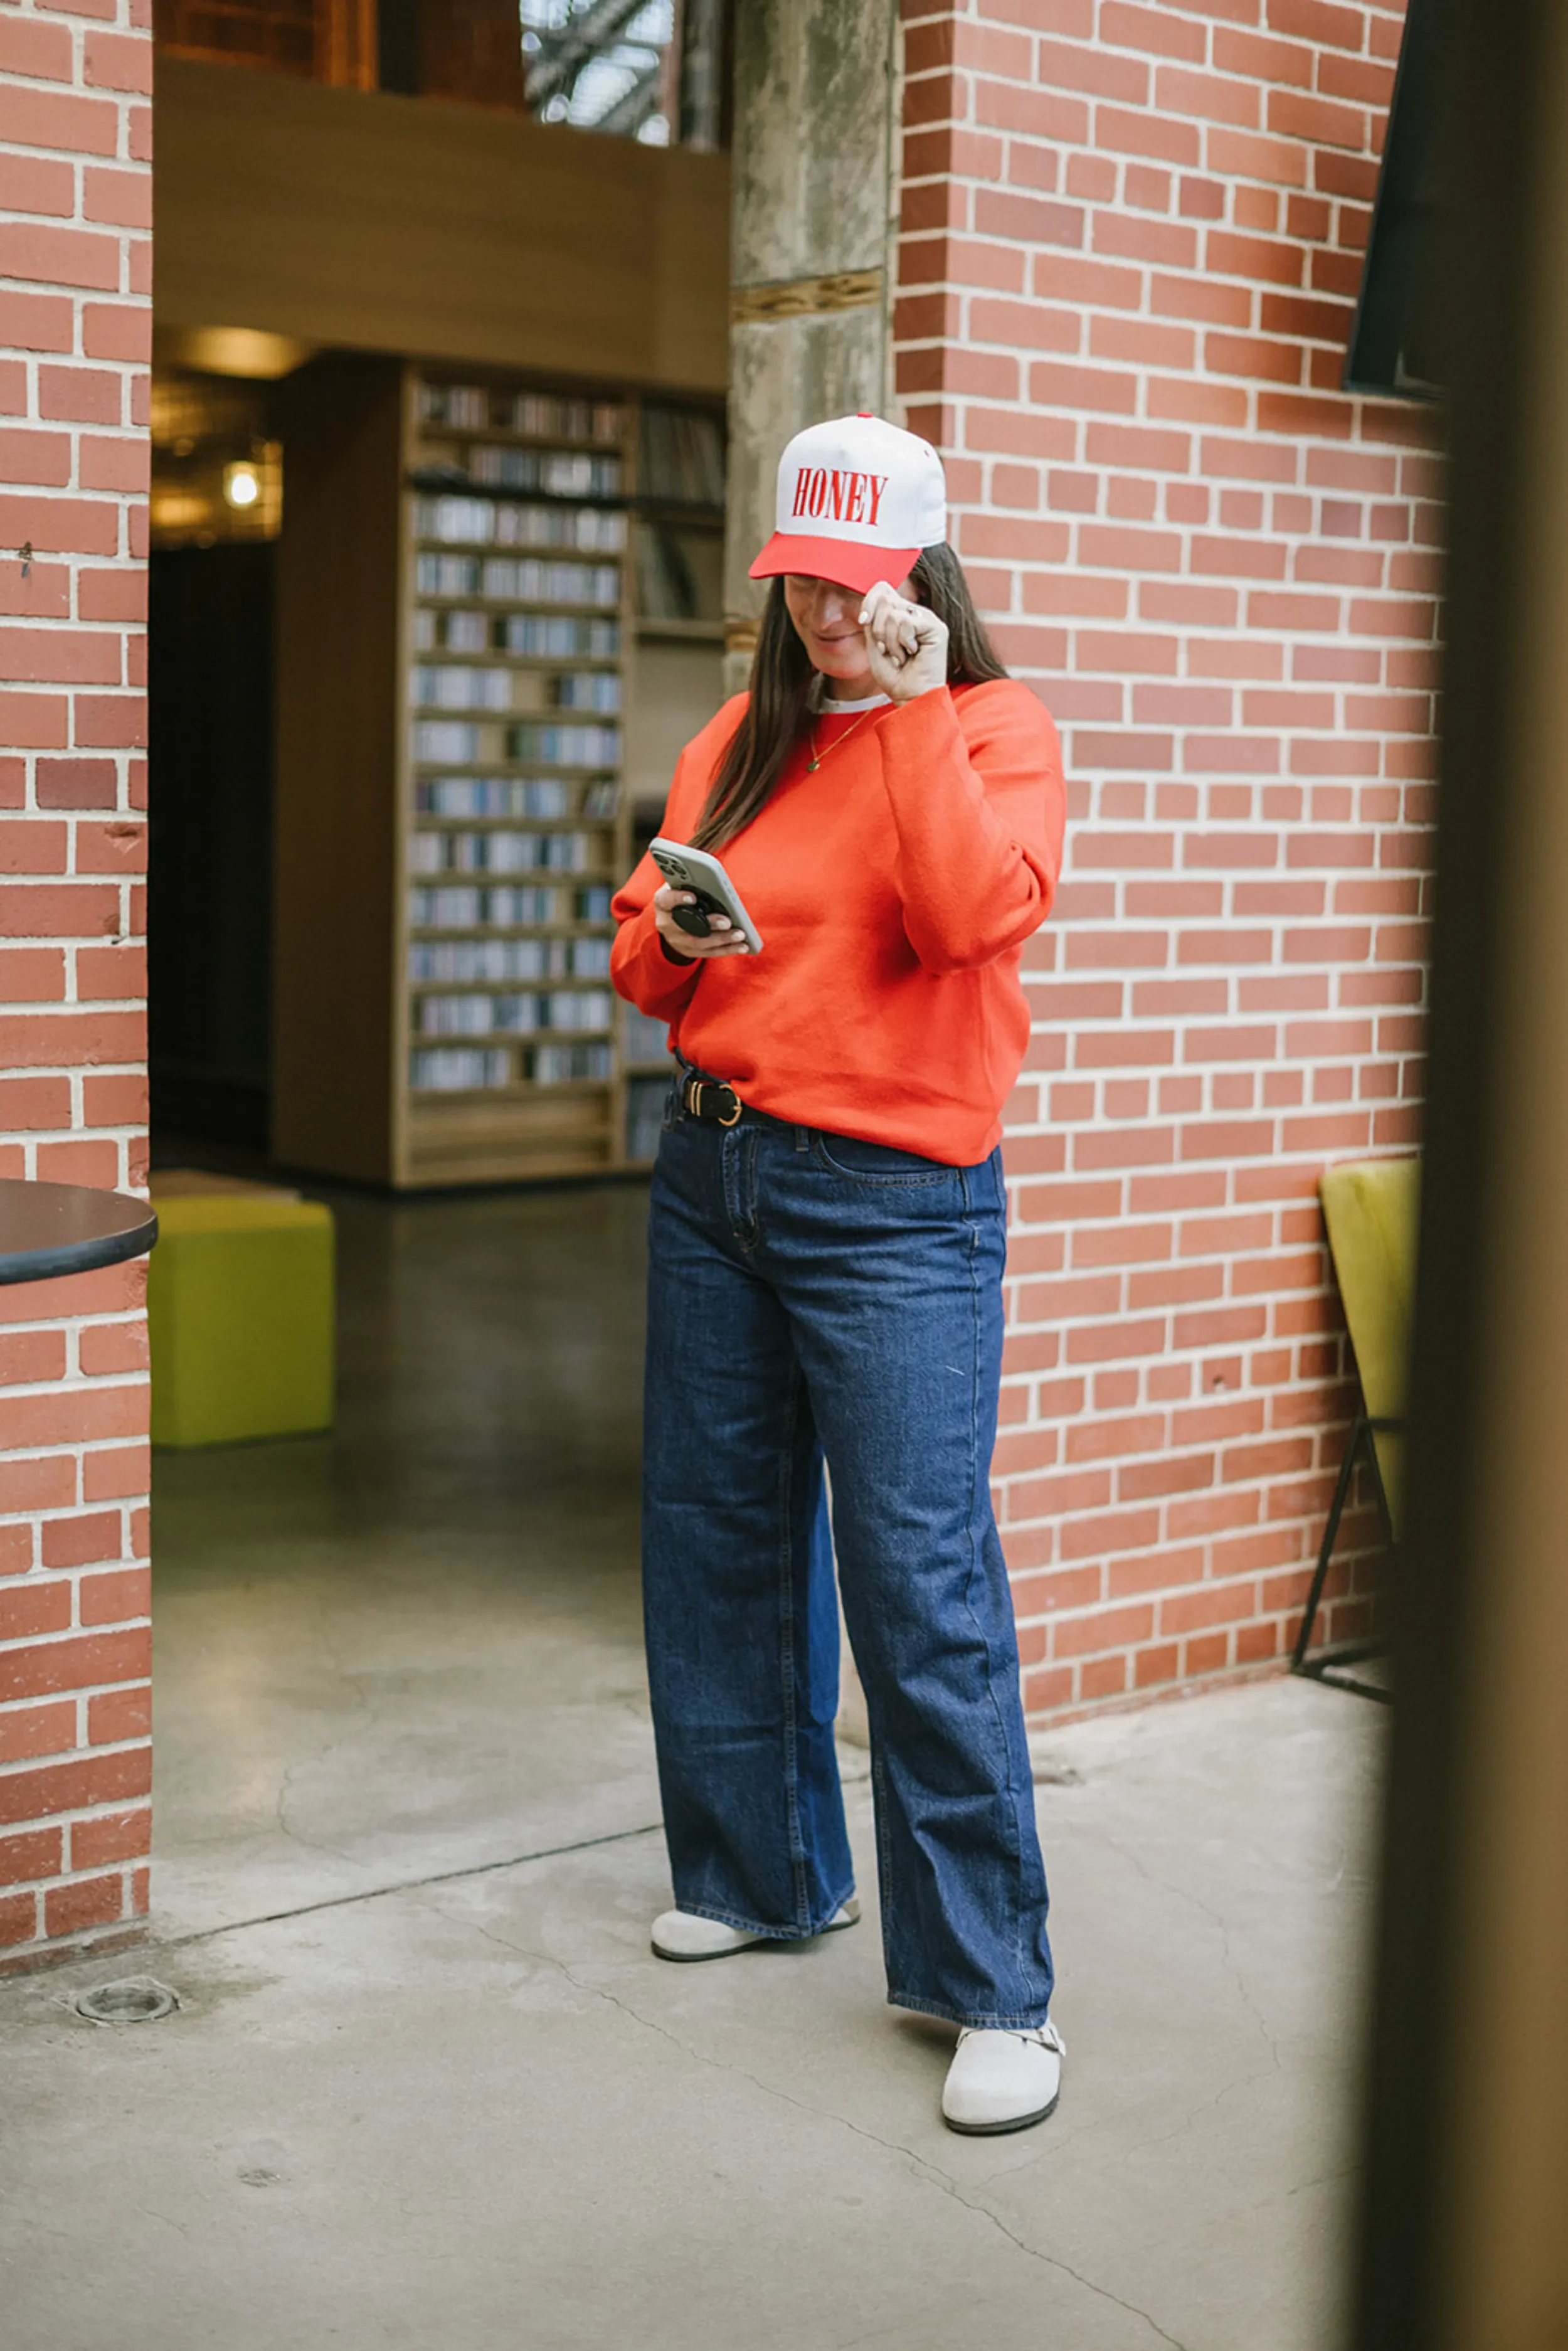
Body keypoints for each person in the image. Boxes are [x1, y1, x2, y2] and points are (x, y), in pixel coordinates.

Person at [610, 413, 1069, 2135]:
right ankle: (758, 1874)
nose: (826, 619)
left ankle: (992, 1986)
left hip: (896, 1204)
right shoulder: (738, 735)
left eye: (861, 586)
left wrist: (921, 713)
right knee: (717, 1532)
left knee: (918, 1577)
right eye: (805, 581)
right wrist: (676, 929)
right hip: (713, 1165)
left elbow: (966, 922)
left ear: (922, 576)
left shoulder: (996, 729)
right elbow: (637, 962)